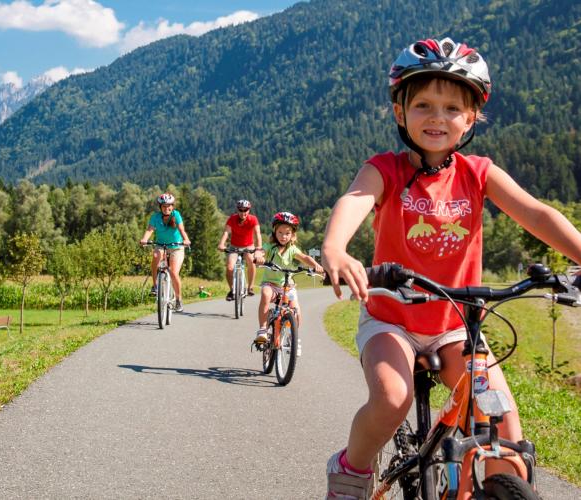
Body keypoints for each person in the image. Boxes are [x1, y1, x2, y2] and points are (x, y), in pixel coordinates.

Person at [321, 38, 581, 498]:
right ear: (400, 113)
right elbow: (356, 199)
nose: (437, 117)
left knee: (501, 425)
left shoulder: (478, 172)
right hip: (391, 317)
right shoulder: (385, 169)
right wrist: (336, 248)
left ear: (471, 118)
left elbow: (538, 214)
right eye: (422, 104)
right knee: (391, 399)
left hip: (458, 325)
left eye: (451, 107)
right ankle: (351, 472)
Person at [253, 211, 323, 343]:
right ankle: (262, 329)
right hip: (271, 284)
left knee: (296, 310)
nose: (283, 236)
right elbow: (261, 251)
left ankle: (294, 337)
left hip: (287, 286)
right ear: (274, 232)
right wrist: (258, 257)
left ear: (292, 235)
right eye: (280, 232)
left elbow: (304, 257)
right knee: (265, 293)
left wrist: (316, 265)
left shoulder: (292, 249)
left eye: (287, 233)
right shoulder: (270, 247)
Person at [139, 192, 191, 313]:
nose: (166, 208)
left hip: (176, 246)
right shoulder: (155, 217)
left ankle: (178, 300)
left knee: (173, 272)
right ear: (160, 207)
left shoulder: (176, 215)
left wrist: (186, 239)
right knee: (156, 256)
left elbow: (181, 229)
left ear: (172, 206)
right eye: (164, 206)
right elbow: (150, 230)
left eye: (169, 206)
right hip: (161, 245)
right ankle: (155, 286)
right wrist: (144, 239)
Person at [217, 199, 262, 300]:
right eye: (240, 210)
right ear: (237, 210)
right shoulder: (232, 219)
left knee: (251, 262)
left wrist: (258, 248)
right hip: (234, 247)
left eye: (245, 210)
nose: (243, 212)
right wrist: (221, 244)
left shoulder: (253, 219)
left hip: (248, 246)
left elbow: (258, 234)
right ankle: (232, 290)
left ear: (248, 210)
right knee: (229, 268)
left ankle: (250, 287)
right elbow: (226, 232)